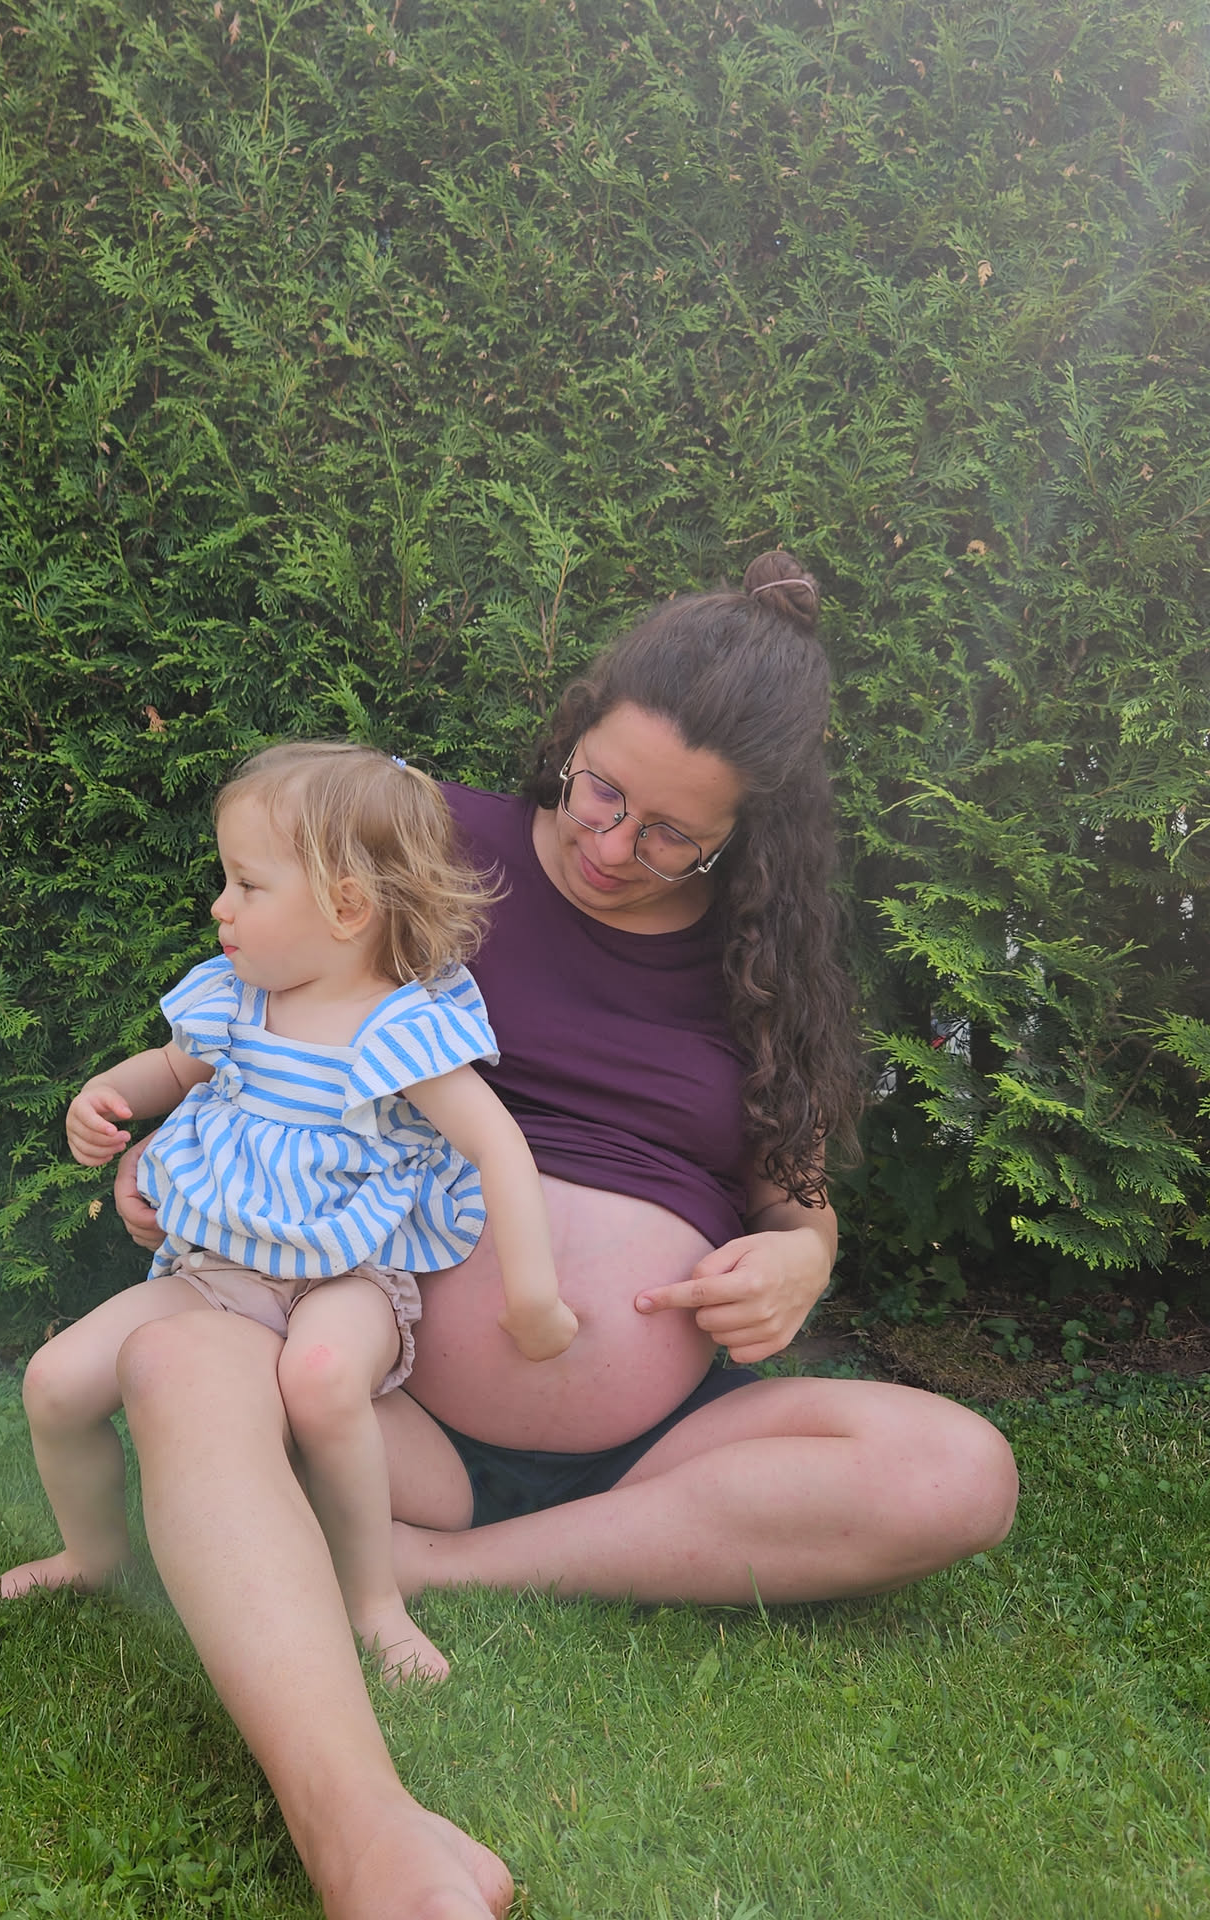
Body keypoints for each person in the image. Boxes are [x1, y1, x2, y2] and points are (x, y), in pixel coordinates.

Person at [106, 552, 1019, 1920]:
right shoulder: (425, 842)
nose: (613, 845)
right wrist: (168, 1144)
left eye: (672, 836)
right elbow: (259, 1014)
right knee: (182, 1367)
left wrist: (804, 1255)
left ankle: (441, 1567)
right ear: (577, 731)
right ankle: (363, 1833)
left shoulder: (761, 961)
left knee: (959, 1473)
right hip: (372, 1394)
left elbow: (794, 1191)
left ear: (745, 835)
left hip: (652, 1453)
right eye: (603, 792)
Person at [0, 742, 577, 1683]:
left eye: (247, 885)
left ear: (347, 906)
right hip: (215, 1273)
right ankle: (92, 1554)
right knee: (54, 1382)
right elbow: (170, 1069)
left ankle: (373, 1600)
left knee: (323, 1377)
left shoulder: (403, 1026)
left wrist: (534, 1297)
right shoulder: (237, 998)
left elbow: (499, 1147)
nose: (220, 906)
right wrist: (104, 1096)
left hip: (347, 1275)